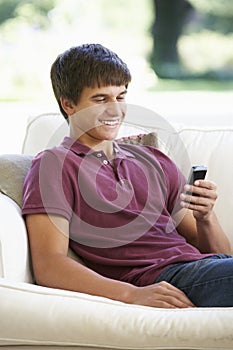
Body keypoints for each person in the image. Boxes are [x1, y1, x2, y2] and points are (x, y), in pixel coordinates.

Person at [22, 43, 233, 308]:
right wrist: (131, 294)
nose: (115, 110)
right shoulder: (54, 164)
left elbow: (220, 254)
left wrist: (205, 217)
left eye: (120, 97)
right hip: (163, 280)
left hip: (208, 270)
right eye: (100, 99)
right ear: (69, 104)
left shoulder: (154, 160)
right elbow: (49, 264)